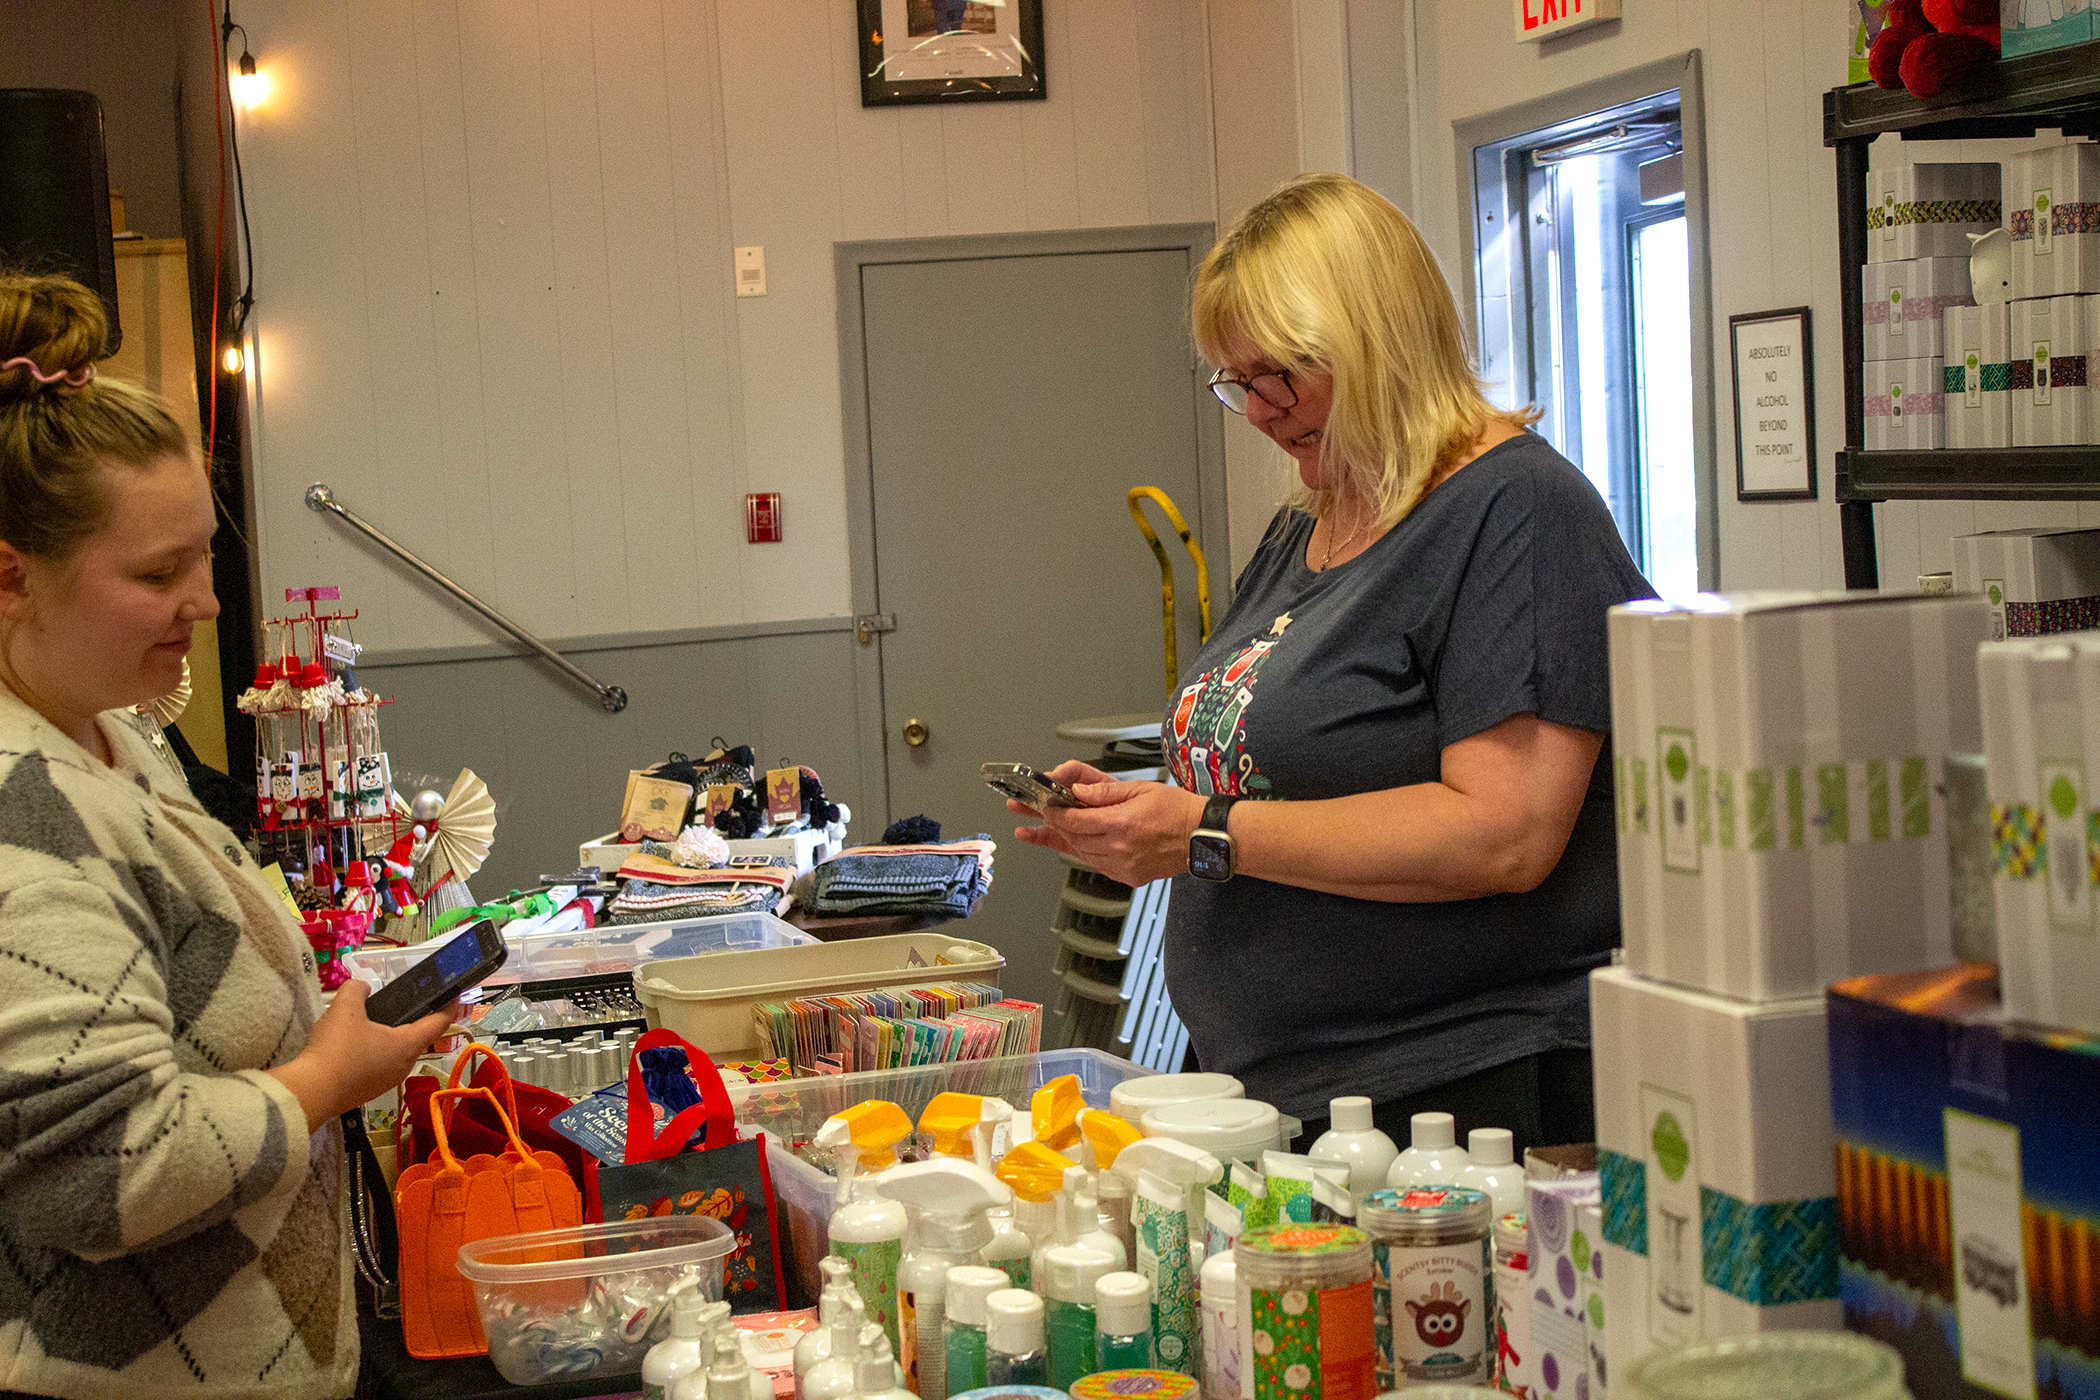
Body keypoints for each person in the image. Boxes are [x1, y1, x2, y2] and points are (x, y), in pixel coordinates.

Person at [1013, 175, 1653, 1154]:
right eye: (1237, 382)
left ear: (1378, 338)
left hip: (1455, 1091)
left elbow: (1505, 832)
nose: (1261, 410)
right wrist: (1146, 816)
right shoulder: (1311, 522)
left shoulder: (1516, 508)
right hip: (1291, 1089)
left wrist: (1206, 831)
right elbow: (1288, 773)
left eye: (1282, 374)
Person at [0, 273, 453, 1399]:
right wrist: (325, 1078)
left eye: (204, 553)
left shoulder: (111, 733)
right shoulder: (22, 813)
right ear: (11, 579)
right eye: (159, 572)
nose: (205, 601)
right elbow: (112, 1171)